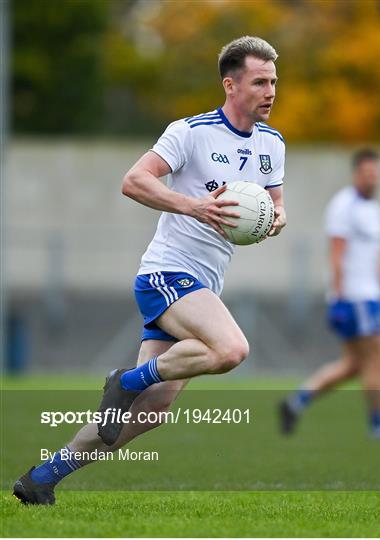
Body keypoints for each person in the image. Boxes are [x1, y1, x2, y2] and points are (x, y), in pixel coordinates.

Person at [13, 36, 287, 504]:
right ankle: (125, 381)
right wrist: (194, 207)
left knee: (151, 412)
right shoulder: (191, 131)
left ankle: (42, 478)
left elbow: (277, 207)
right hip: (167, 274)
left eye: (274, 82)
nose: (270, 91)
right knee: (231, 349)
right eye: (260, 81)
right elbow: (134, 180)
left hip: (204, 285)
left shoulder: (272, 144)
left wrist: (273, 220)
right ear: (230, 84)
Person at [279, 149, 380, 439]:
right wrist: (338, 299)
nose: (373, 179)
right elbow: (336, 255)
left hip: (370, 295)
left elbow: (375, 254)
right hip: (355, 297)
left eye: (377, 175)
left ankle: (296, 402)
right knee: (377, 358)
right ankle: (378, 424)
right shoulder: (343, 206)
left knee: (353, 365)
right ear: (357, 174)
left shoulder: (372, 208)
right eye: (368, 174)